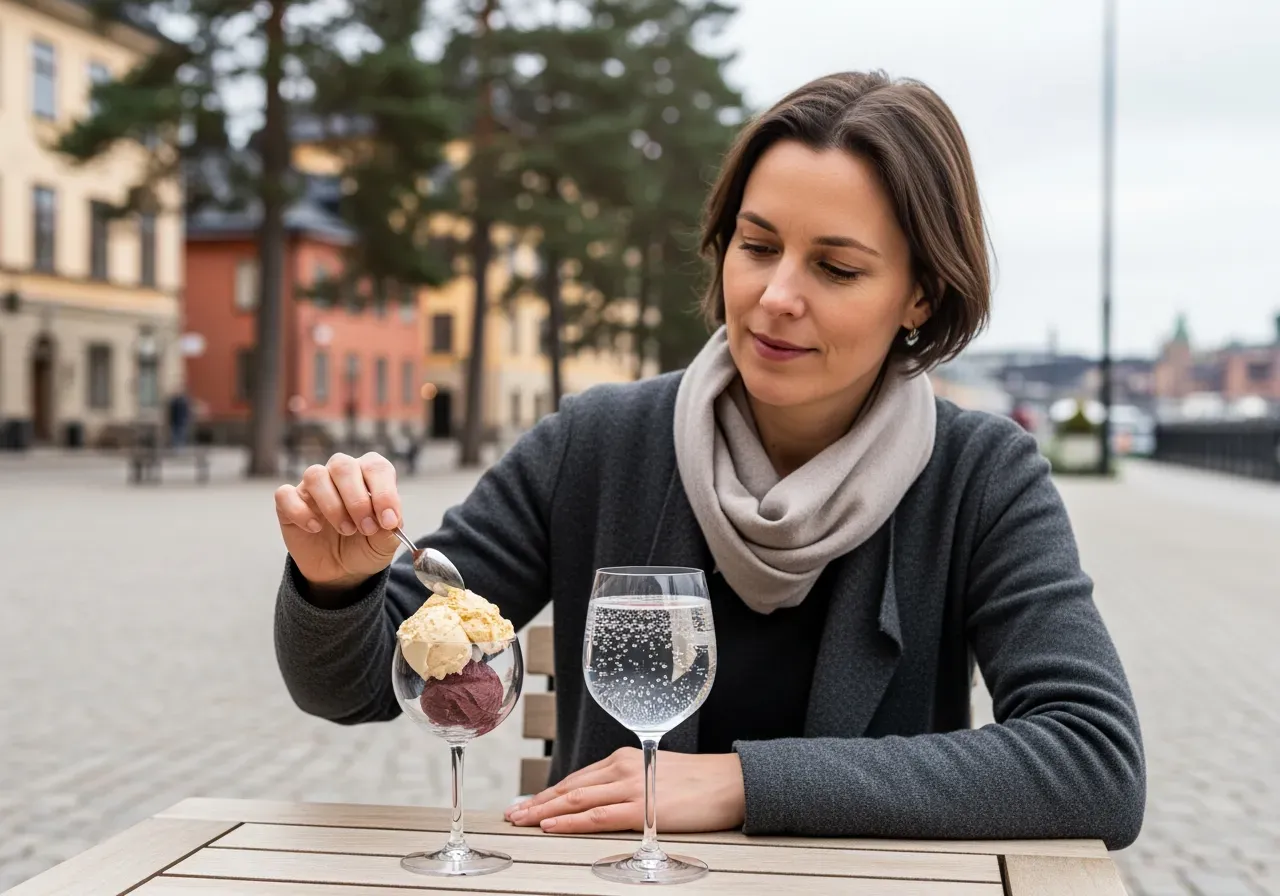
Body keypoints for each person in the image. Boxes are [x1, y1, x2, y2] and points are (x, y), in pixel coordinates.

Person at [272, 71, 1145, 848]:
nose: (774, 297)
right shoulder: (598, 443)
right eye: (757, 245)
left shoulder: (980, 476)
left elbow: (1095, 763)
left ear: (920, 293)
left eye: (836, 268)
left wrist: (741, 783)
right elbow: (361, 686)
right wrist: (335, 586)